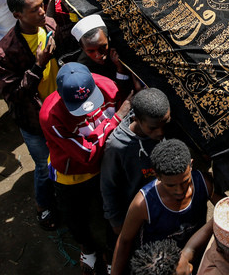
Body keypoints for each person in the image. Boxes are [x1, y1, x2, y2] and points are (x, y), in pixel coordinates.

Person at [40, 61, 129, 273]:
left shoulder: (108, 87)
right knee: (74, 217)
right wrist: (115, 119)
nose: (88, 112)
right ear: (61, 96)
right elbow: (86, 154)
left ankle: (110, 254)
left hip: (105, 168)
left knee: (111, 213)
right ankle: (87, 249)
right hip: (70, 175)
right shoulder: (50, 115)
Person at [0, 0, 60, 231]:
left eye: (42, 6)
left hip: (60, 112)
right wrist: (39, 66)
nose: (42, 13)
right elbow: (15, 96)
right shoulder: (3, 52)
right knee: (44, 167)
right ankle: (43, 207)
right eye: (34, 10)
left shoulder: (49, 26)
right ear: (17, 15)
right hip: (34, 121)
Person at [111, 138, 218, 275]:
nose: (179, 190)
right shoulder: (143, 204)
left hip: (194, 260)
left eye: (185, 181)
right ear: (157, 175)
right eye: (171, 185)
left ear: (191, 165)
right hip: (159, 268)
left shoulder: (204, 183)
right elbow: (125, 241)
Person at [102, 87, 170, 236]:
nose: (160, 132)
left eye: (165, 124)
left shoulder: (165, 128)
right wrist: (116, 223)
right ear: (136, 120)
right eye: (153, 128)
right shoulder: (118, 146)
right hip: (134, 214)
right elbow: (108, 187)